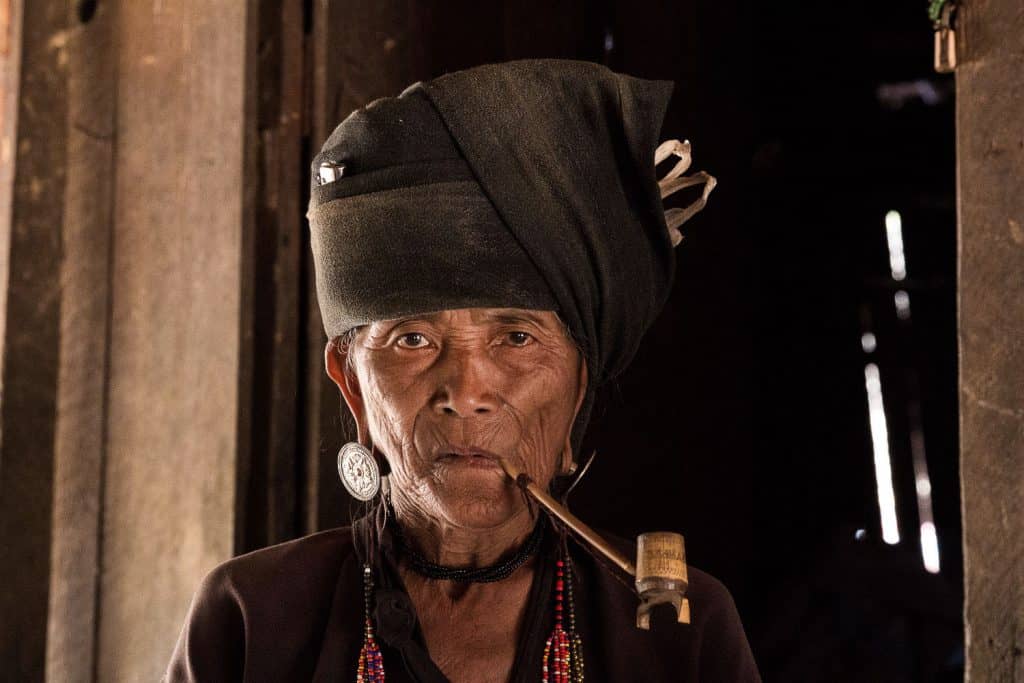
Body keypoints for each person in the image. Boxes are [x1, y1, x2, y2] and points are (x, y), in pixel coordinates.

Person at [163, 58, 760, 683]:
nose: (467, 393)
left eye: (516, 338)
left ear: (577, 388)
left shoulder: (680, 633)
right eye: (413, 339)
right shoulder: (250, 618)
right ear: (353, 385)